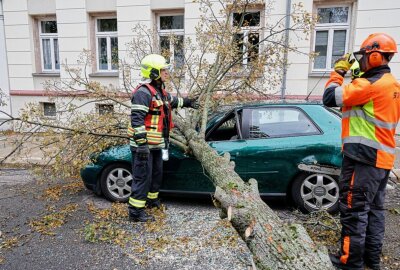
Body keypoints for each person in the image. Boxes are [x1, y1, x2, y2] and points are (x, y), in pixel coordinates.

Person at [323, 33, 399, 270]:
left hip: (363, 158)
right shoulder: (392, 84)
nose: (362, 61)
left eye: (364, 57)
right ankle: (370, 260)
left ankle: (350, 262)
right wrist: (358, 76)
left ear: (375, 56)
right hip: (382, 158)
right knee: (374, 210)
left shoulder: (369, 85)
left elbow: (329, 97)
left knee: (354, 210)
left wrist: (338, 72)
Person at [127, 54, 198, 222]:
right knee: (142, 177)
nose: (167, 72)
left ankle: (152, 201)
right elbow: (136, 120)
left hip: (157, 144)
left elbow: (171, 101)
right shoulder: (143, 93)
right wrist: (142, 145)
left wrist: (187, 102)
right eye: (163, 70)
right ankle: (135, 212)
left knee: (156, 175)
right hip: (143, 145)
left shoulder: (159, 91)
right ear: (153, 73)